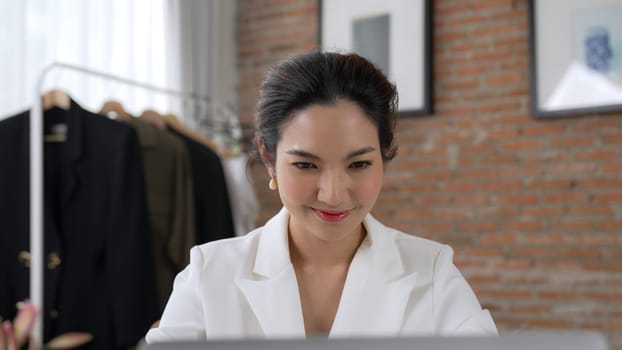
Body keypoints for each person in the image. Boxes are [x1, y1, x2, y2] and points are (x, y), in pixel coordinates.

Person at [145, 51, 497, 342]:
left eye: (358, 164)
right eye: (305, 165)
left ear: (384, 160)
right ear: (269, 159)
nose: (332, 194)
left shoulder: (431, 271)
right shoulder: (210, 274)